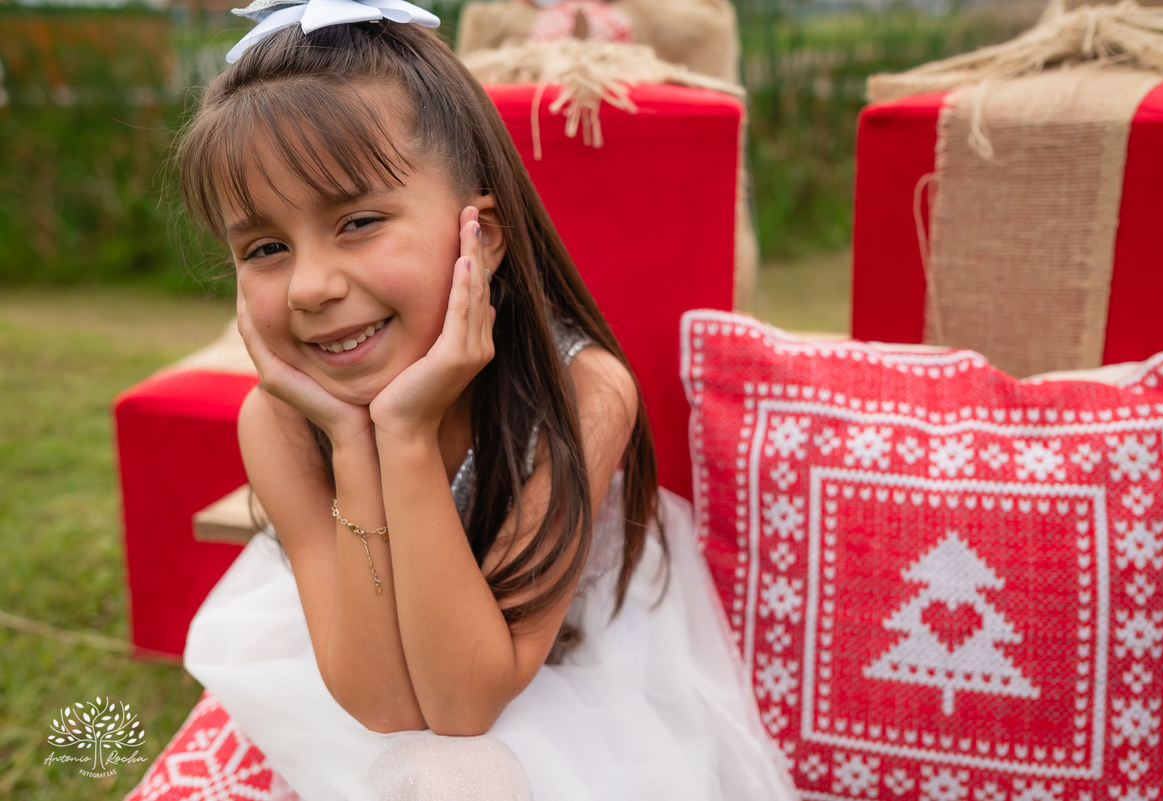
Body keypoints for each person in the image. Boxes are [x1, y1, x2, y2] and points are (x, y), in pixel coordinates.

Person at [172, 3, 794, 799]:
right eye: (265, 248)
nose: (312, 285)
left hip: (551, 665)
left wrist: (403, 429)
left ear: (482, 236)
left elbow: (465, 703)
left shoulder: (585, 393)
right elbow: (386, 706)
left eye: (358, 221)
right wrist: (357, 444)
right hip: (361, 642)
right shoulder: (284, 422)